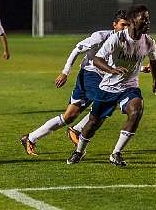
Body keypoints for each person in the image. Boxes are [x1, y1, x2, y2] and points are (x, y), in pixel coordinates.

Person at [20, 10, 129, 156]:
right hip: (90, 74)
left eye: (128, 25)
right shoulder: (100, 37)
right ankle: (76, 130)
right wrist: (65, 72)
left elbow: (117, 64)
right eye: (123, 25)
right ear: (114, 25)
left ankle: (30, 137)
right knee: (107, 103)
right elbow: (76, 50)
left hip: (102, 77)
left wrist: (141, 68)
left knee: (69, 116)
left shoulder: (125, 42)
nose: (126, 28)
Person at [66, 4, 156, 167]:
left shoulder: (149, 41)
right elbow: (97, 59)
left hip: (130, 87)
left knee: (136, 110)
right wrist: (112, 69)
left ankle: (116, 153)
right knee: (93, 123)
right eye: (143, 19)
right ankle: (79, 151)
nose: (147, 22)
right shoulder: (117, 38)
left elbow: (154, 60)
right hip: (108, 87)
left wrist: (155, 80)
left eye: (148, 18)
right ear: (132, 21)